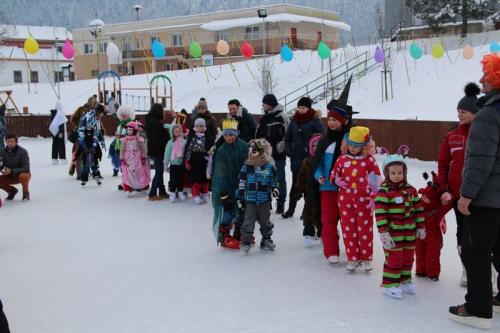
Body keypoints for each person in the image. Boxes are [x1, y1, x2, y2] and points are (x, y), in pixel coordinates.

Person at [449, 54, 500, 330]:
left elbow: (481, 159)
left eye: (487, 76)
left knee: (476, 252)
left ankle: (478, 309)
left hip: (486, 198)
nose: (481, 81)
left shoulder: (488, 116)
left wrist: (467, 194)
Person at [438, 82, 481, 287]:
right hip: (457, 194)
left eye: (464, 111)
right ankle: (466, 268)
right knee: (462, 232)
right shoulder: (451, 135)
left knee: (481, 233)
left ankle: (485, 270)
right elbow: (443, 163)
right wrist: (444, 187)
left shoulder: (482, 134)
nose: (460, 114)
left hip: (481, 195)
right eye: (458, 111)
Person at [375, 155, 426, 299]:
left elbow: (418, 209)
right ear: (387, 174)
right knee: (394, 259)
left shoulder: (411, 190)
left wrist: (420, 226)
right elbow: (380, 213)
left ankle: (404, 280)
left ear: (404, 173)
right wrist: (383, 232)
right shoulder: (384, 191)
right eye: (393, 173)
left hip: (409, 232)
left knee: (408, 258)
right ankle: (390, 284)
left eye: (399, 173)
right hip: (393, 234)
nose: (396, 176)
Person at [314, 80, 353, 264]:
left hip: (346, 187)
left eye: (335, 119)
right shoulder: (324, 140)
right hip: (327, 187)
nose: (331, 122)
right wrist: (318, 175)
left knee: (348, 221)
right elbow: (318, 163)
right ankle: (331, 250)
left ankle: (354, 250)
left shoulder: (349, 140)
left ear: (343, 121)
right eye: (329, 119)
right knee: (328, 220)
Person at [331, 126, 381, 272]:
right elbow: (333, 174)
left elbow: (377, 180)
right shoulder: (341, 159)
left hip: (364, 201)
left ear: (364, 147)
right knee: (348, 229)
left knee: (365, 229)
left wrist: (373, 196)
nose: (353, 148)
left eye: (357, 146)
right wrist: (336, 180)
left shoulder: (369, 161)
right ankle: (353, 257)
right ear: (347, 144)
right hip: (345, 200)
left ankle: (366, 258)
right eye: (351, 145)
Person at [283, 96, 325, 218]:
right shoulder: (294, 120)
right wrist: (289, 151)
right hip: (296, 158)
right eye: (299, 107)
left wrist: (313, 153)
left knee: (308, 187)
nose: (301, 109)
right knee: (295, 185)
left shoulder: (315, 121)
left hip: (309, 160)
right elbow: (287, 138)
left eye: (303, 107)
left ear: (309, 108)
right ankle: (291, 209)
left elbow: (321, 138)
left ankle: (306, 212)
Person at [210, 119, 249, 249]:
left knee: (242, 210)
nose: (228, 137)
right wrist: (222, 191)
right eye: (226, 135)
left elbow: (249, 164)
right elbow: (219, 172)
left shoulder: (244, 146)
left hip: (242, 184)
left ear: (236, 134)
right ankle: (224, 237)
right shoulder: (222, 151)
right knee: (228, 212)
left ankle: (240, 234)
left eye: (231, 134)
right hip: (226, 187)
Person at [238, 138, 279, 253]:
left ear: (261, 151)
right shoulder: (246, 166)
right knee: (248, 220)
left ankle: (266, 239)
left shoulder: (268, 167)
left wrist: (274, 188)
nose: (252, 152)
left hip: (264, 199)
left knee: (265, 220)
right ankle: (246, 241)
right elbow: (242, 181)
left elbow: (273, 180)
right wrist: (240, 195)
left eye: (255, 150)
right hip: (250, 199)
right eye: (251, 150)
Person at [255, 94, 290, 214]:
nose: (262, 105)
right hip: (265, 156)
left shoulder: (282, 117)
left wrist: (281, 147)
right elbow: (258, 136)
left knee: (280, 179)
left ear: (270, 104)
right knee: (265, 178)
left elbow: (288, 134)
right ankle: (267, 203)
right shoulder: (264, 118)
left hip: (278, 155)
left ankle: (280, 204)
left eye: (264, 103)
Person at [416, 171, 449, 281]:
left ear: (434, 201)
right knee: (419, 253)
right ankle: (420, 270)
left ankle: (433, 273)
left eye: (426, 198)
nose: (423, 199)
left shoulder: (436, 211)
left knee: (432, 255)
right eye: (423, 196)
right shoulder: (418, 207)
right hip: (419, 236)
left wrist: (445, 200)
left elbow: (446, 206)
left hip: (433, 238)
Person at [295, 134, 322, 247]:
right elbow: (300, 178)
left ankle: (322, 233)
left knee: (321, 214)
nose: (316, 147)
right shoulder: (307, 161)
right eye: (314, 145)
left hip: (322, 193)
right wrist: (298, 191)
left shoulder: (324, 161)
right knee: (308, 212)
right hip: (309, 193)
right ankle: (308, 232)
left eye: (319, 145)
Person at [184, 118, 214, 204]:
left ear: (204, 127)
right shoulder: (192, 136)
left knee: (205, 179)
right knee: (196, 179)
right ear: (194, 127)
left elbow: (211, 146)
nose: (199, 128)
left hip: (205, 160)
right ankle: (196, 195)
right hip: (195, 161)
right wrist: (187, 160)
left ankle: (204, 193)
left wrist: (209, 154)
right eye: (197, 126)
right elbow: (189, 149)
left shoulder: (207, 136)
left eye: (201, 126)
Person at [145, 103, 169, 201]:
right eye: (162, 111)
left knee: (160, 171)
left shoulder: (152, 121)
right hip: (158, 150)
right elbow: (157, 138)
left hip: (155, 150)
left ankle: (162, 191)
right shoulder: (155, 122)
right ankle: (152, 193)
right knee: (159, 172)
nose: (163, 113)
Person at [120, 121, 150, 194]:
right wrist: (122, 158)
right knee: (129, 172)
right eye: (127, 130)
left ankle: (142, 186)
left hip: (138, 158)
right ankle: (129, 187)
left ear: (135, 130)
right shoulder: (125, 140)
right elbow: (122, 150)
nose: (128, 131)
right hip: (128, 159)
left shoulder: (139, 139)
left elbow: (143, 149)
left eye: (130, 130)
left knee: (139, 171)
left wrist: (143, 157)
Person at [0, 134, 31, 201]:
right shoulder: (2, 152)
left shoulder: (23, 152)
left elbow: (26, 168)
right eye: (8, 141)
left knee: (23, 176)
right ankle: (11, 191)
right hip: (9, 176)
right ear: (6, 142)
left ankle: (26, 194)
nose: (10, 143)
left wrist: (12, 170)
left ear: (16, 142)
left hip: (22, 175)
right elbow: (1, 164)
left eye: (12, 141)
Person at [110, 106, 136, 178]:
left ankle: (124, 171)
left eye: (126, 114)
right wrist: (116, 133)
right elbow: (118, 131)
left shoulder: (131, 124)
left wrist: (121, 136)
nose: (123, 115)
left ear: (130, 115)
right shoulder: (121, 123)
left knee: (125, 158)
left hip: (126, 145)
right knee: (116, 156)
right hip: (118, 144)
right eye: (122, 114)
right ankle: (116, 170)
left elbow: (131, 134)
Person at [164, 124, 186, 202]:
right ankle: (172, 193)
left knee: (180, 179)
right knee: (173, 179)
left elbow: (186, 152)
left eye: (179, 131)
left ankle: (180, 192)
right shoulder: (170, 143)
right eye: (176, 131)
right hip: (173, 164)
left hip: (181, 164)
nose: (178, 133)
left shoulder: (184, 141)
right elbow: (167, 153)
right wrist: (166, 164)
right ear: (172, 132)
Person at [68, 105, 89, 179]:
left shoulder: (89, 113)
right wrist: (78, 126)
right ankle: (79, 174)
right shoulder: (81, 110)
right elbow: (72, 119)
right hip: (79, 138)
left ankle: (83, 172)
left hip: (86, 137)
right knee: (79, 156)